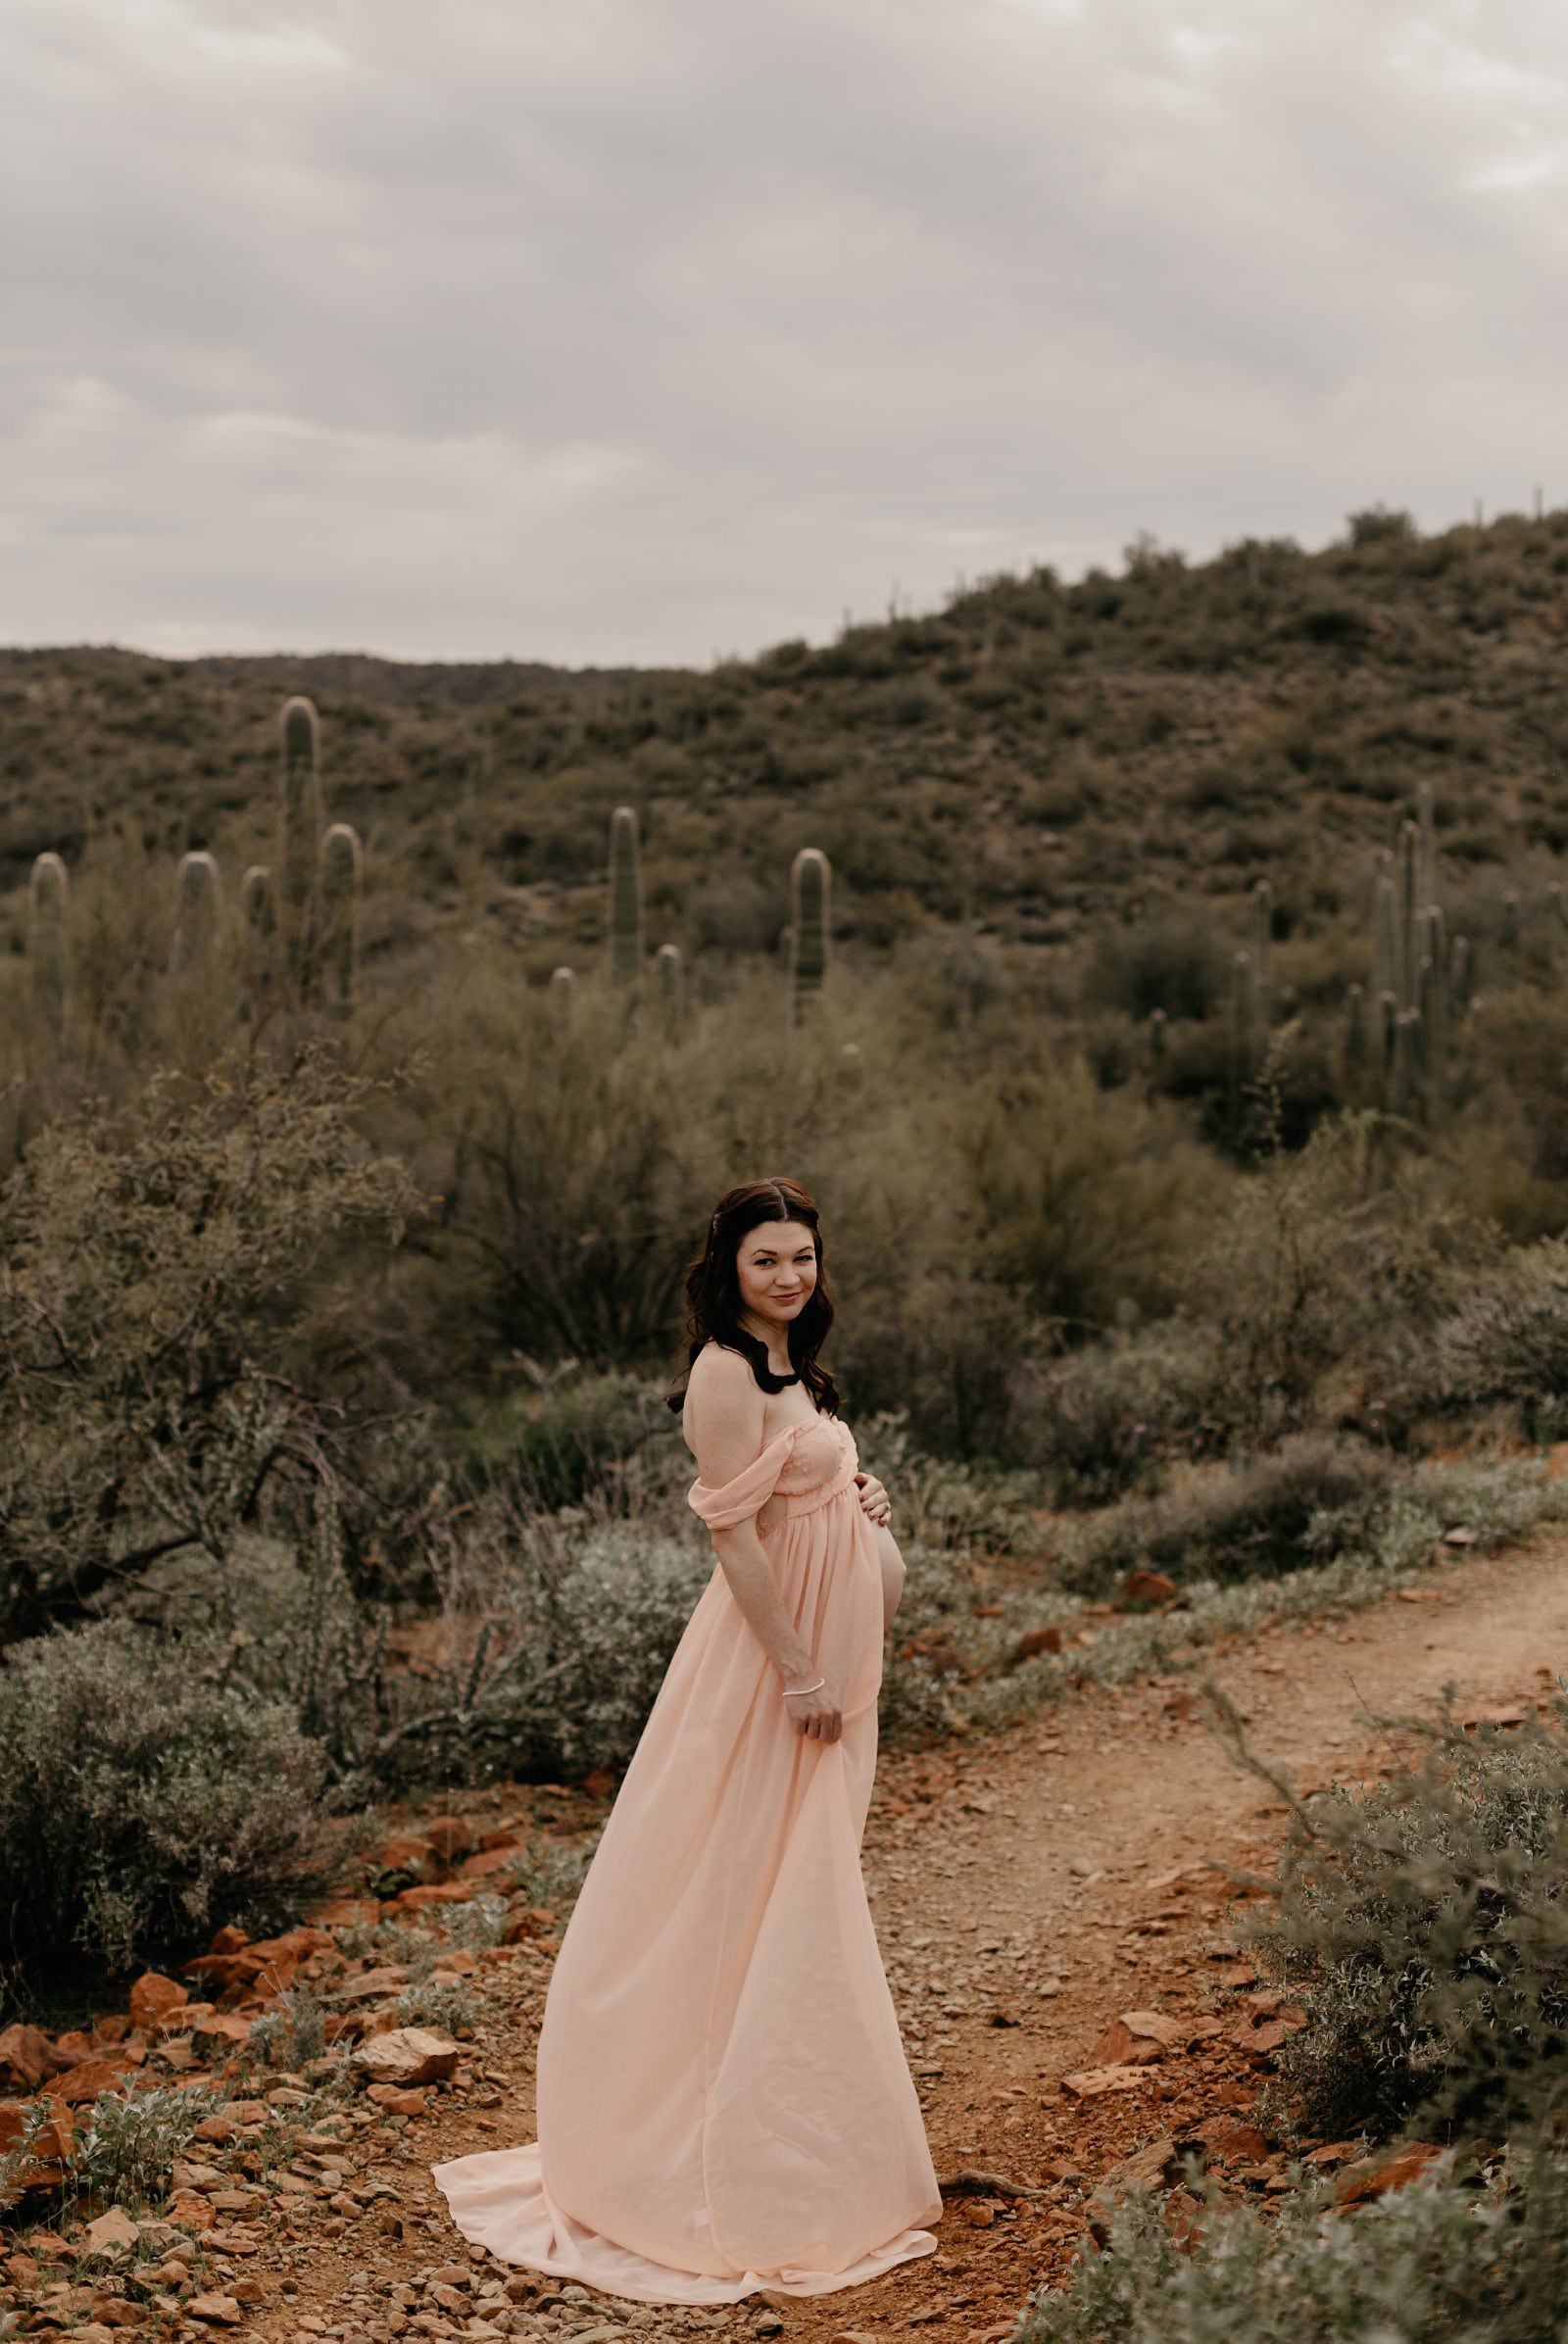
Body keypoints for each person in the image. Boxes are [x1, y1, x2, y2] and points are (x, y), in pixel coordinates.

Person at [432, 1176, 943, 2304]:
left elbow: (793, 1496)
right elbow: (737, 1543)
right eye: (767, 1259)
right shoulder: (721, 1369)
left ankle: (783, 2120)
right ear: (728, 1268)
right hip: (776, 1668)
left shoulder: (791, 1366)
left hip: (833, 1665)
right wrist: (798, 1666)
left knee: (797, 1883)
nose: (789, 1275)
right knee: (738, 1877)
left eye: (802, 1255)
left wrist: (864, 1504)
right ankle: (693, 2147)